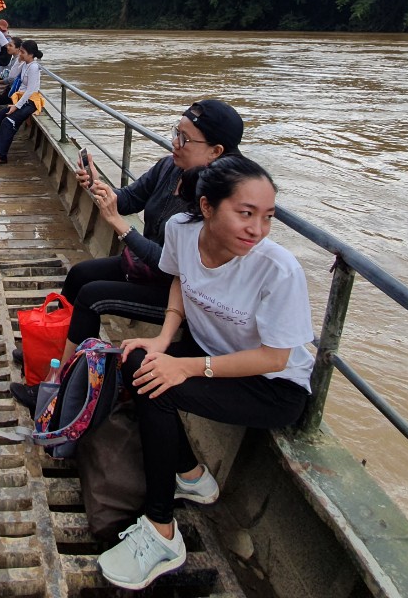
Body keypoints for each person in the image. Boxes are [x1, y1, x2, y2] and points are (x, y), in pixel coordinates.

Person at [96, 155, 313, 590]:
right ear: (208, 207)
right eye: (245, 213)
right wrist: (162, 340)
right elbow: (179, 281)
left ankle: (161, 532)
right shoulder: (181, 230)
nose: (257, 229)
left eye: (267, 217)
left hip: (272, 386)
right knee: (139, 361)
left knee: (161, 387)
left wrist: (187, 366)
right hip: (212, 352)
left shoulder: (278, 269)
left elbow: (275, 358)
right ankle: (192, 477)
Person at [10, 99, 244, 408]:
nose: (175, 142)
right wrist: (100, 187)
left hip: (174, 292)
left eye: (185, 139)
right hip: (143, 268)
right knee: (81, 274)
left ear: (216, 151)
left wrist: (122, 228)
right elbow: (130, 199)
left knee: (92, 297)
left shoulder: (214, 199)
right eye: (176, 132)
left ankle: (62, 392)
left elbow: (170, 266)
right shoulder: (170, 167)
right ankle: (55, 349)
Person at [0, 39, 43, 166]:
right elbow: (13, 75)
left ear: (31, 54)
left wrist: (16, 106)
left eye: (23, 52)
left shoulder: (34, 67)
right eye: (20, 51)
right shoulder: (25, 64)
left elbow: (31, 90)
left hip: (30, 101)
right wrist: (19, 61)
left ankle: (1, 155)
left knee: (8, 122)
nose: (20, 54)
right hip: (20, 98)